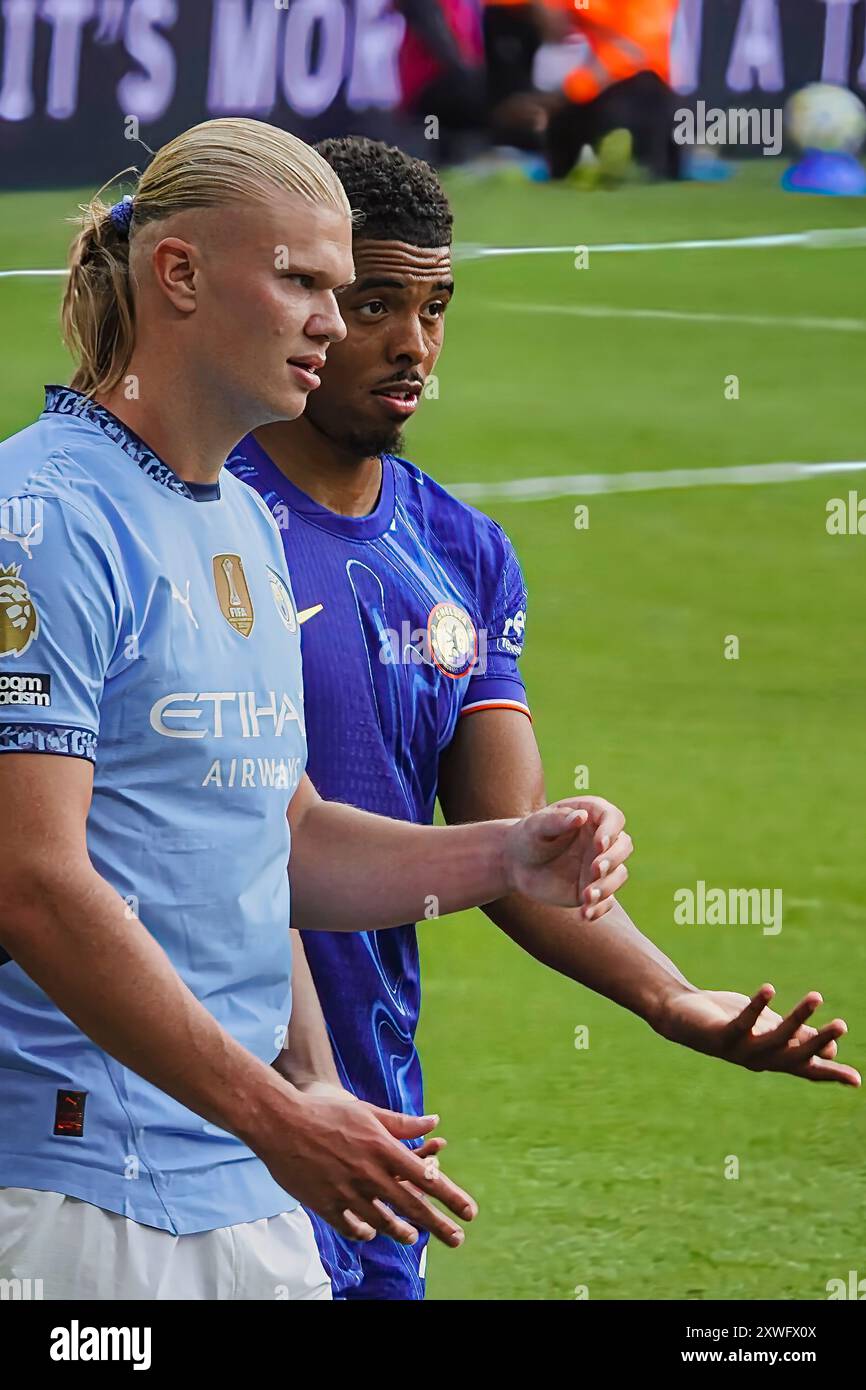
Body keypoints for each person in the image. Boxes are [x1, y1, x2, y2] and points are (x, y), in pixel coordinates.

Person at [0, 117, 632, 1301]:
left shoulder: (238, 521)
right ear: (178, 275)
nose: (336, 324)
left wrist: (504, 853)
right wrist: (275, 1110)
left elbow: (275, 838)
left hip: (252, 1189)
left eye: (340, 289)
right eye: (300, 280)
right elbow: (30, 880)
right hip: (78, 1197)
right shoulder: (36, 517)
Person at [227, 137, 859, 1300]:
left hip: (371, 1128)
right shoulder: (195, 518)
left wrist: (667, 996)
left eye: (434, 307)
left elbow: (509, 849)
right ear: (295, 296)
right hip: (202, 1119)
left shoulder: (460, 552)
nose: (412, 344)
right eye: (374, 303)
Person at [544, 0, 683, 180]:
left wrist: (575, 87)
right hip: (598, 86)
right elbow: (579, 7)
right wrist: (556, 8)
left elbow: (636, 51)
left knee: (619, 114)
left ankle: (635, 169)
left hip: (644, 88)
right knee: (559, 125)